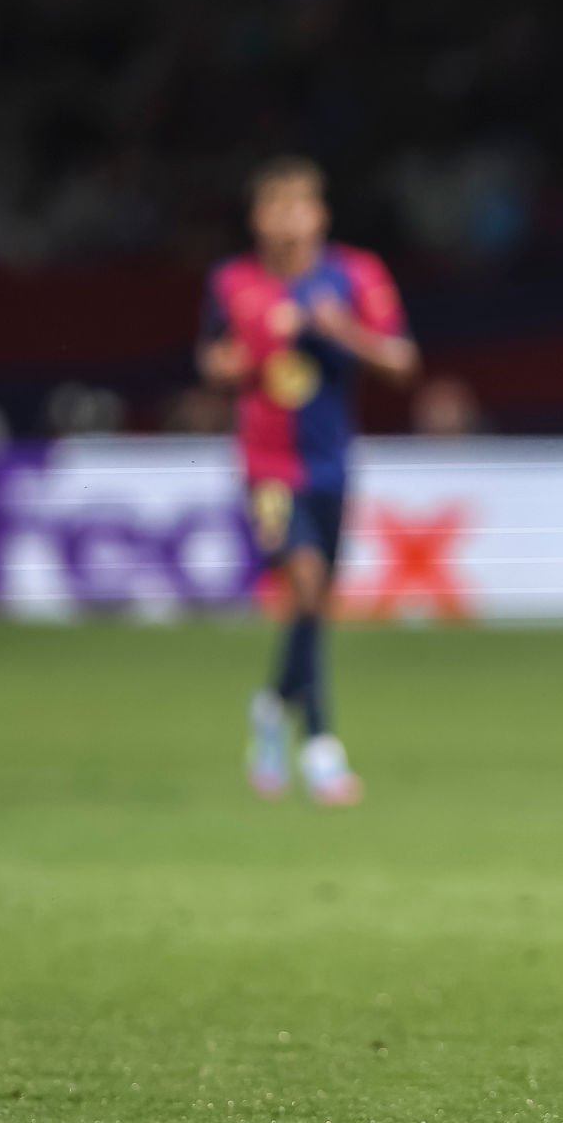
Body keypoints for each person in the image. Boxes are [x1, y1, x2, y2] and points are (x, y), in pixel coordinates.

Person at [196, 156, 419, 805]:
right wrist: (232, 363)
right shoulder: (234, 281)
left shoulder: (355, 275)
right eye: (277, 207)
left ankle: (271, 706)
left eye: (300, 206)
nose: (289, 221)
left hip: (331, 463)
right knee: (306, 581)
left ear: (320, 216)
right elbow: (212, 358)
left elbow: (402, 361)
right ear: (258, 219)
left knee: (314, 604)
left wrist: (338, 328)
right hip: (267, 466)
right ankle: (321, 746)